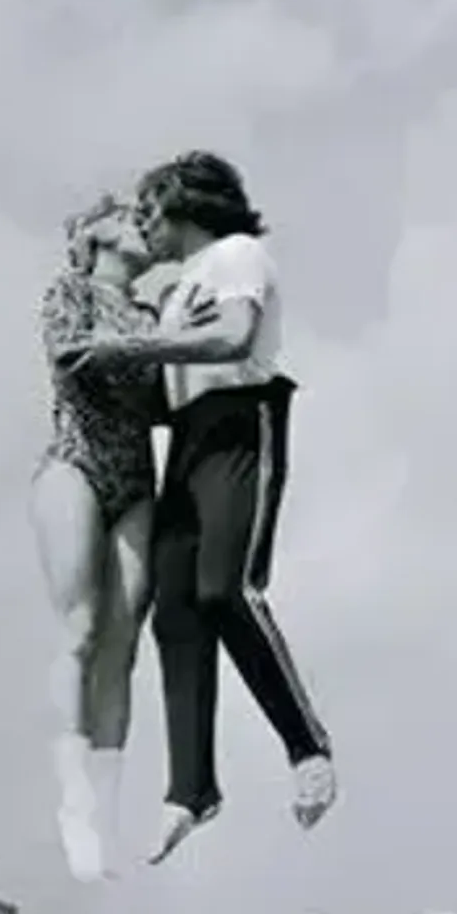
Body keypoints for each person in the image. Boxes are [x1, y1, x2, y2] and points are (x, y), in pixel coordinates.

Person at [67, 151, 337, 864]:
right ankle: (192, 788)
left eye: (151, 211)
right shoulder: (180, 287)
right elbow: (165, 385)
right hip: (188, 439)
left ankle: (306, 746)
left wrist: (131, 346)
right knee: (177, 612)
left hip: (243, 424)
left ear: (184, 207)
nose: (146, 226)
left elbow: (233, 336)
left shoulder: (235, 255)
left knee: (225, 589)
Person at [31, 194, 166, 884]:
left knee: (123, 648)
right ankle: (72, 794)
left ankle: (105, 819)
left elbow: (173, 397)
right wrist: (153, 354)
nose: (141, 224)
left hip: (136, 478)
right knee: (81, 630)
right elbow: (71, 357)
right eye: (125, 215)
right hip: (77, 462)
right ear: (94, 234)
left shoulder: (153, 313)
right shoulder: (71, 290)